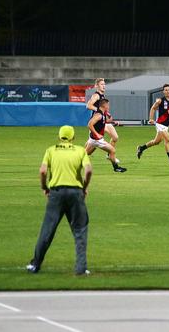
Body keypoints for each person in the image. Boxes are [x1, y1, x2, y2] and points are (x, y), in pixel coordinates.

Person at [26, 125, 93, 275]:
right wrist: (84, 187)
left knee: (47, 230)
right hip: (76, 193)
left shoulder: (51, 150)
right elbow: (88, 170)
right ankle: (81, 269)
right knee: (80, 230)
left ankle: (35, 265)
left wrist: (45, 187)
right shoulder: (80, 151)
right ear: (73, 138)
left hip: (56, 193)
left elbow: (43, 171)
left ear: (59, 137)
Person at [136, 83, 169, 163]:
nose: (167, 91)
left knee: (156, 142)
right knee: (167, 139)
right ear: (163, 91)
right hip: (160, 124)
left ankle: (141, 148)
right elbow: (153, 108)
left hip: (166, 125)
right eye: (166, 90)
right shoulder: (160, 100)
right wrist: (151, 119)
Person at [85, 99, 127, 172]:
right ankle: (116, 168)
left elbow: (104, 122)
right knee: (112, 150)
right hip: (97, 140)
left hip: (93, 140)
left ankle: (73, 162)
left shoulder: (103, 113)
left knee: (85, 154)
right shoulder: (99, 115)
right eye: (108, 105)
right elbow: (89, 124)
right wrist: (97, 134)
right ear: (104, 105)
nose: (109, 106)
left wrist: (115, 123)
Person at [86, 78, 121, 163]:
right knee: (89, 151)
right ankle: (78, 158)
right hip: (95, 124)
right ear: (97, 86)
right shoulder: (96, 95)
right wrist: (99, 111)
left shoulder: (102, 96)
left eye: (104, 84)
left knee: (115, 137)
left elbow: (102, 110)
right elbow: (88, 105)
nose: (104, 86)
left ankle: (109, 155)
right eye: (102, 84)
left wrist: (110, 118)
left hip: (103, 123)